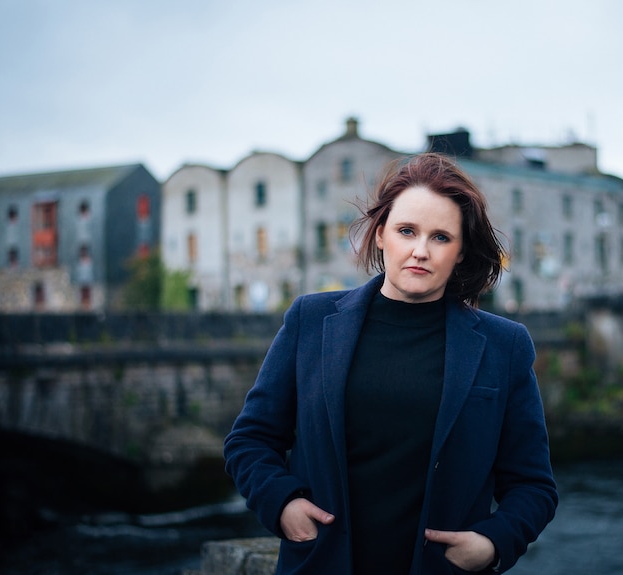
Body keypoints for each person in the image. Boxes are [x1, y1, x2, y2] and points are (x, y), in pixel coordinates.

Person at [224, 153, 558, 574]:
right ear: (381, 235)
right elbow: (250, 440)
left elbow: (533, 485)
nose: (420, 251)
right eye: (406, 231)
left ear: (460, 252)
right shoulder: (311, 321)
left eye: (441, 237)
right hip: (323, 563)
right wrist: (283, 503)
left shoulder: (503, 345)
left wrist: (493, 542)